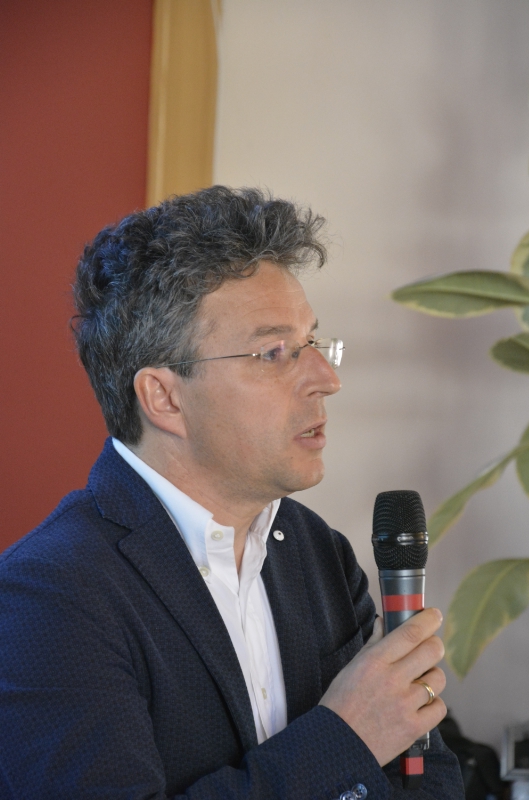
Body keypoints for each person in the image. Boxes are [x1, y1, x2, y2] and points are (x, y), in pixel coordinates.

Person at [0, 187, 463, 799]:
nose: (327, 378)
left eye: (313, 343)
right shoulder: (49, 596)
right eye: (274, 353)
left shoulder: (317, 550)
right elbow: (362, 742)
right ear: (164, 397)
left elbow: (428, 776)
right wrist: (345, 737)